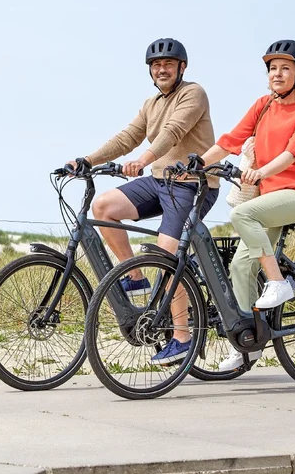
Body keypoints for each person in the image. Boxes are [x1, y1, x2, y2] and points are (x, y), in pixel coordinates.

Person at [69, 38, 219, 365]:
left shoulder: (194, 93)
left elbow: (174, 132)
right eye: (156, 65)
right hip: (159, 181)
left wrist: (145, 158)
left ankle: (182, 338)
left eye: (168, 64)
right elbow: (127, 137)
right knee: (104, 207)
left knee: (166, 251)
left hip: (192, 185)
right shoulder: (151, 104)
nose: (161, 69)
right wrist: (87, 160)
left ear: (182, 67)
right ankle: (135, 274)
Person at [197, 39, 295, 370]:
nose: (277, 74)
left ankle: (278, 283)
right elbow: (231, 140)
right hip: (269, 198)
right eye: (273, 69)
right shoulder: (264, 105)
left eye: (285, 68)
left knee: (241, 213)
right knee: (239, 267)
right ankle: (247, 344)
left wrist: (259, 172)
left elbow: (293, 154)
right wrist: (197, 164)